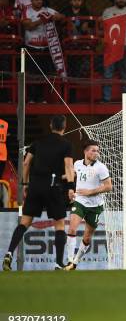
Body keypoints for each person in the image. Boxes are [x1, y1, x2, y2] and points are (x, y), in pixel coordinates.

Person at [3, 115, 74, 271]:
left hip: (35, 185)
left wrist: (25, 183)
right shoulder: (66, 144)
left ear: (50, 125)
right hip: (53, 186)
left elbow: (26, 163)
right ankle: (58, 263)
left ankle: (9, 253)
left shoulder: (37, 142)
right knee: (59, 224)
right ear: (64, 127)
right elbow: (69, 167)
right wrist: (70, 187)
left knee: (24, 223)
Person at [64, 140, 112, 270]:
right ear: (85, 151)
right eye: (93, 150)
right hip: (79, 201)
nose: (96, 153)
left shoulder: (101, 167)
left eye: (97, 150)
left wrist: (90, 191)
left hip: (95, 205)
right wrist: (68, 187)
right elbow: (74, 174)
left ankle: (76, 261)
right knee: (72, 229)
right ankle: (69, 261)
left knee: (87, 237)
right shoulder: (77, 163)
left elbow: (109, 186)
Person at [21, 0, 64, 103]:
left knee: (43, 74)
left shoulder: (47, 10)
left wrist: (53, 17)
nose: (39, 2)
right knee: (31, 74)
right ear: (31, 0)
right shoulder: (27, 10)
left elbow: (61, 16)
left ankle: (41, 98)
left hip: (46, 48)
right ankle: (31, 98)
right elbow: (28, 25)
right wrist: (41, 20)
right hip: (31, 47)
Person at [101, 0, 126, 103]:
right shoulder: (107, 12)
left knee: (125, 74)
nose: (121, 0)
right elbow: (103, 30)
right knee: (107, 75)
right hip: (111, 47)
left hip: (125, 46)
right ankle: (106, 100)